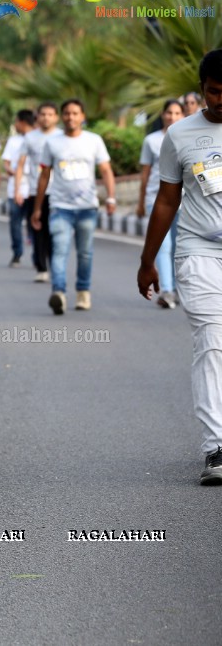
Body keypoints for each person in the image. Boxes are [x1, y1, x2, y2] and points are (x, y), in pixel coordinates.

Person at [138, 49, 222, 485]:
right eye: (215, 92)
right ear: (202, 89)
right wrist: (147, 259)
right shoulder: (180, 135)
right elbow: (167, 199)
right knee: (210, 342)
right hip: (199, 251)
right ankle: (216, 446)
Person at [31, 98, 116, 314]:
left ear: (82, 117)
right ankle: (58, 293)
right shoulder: (52, 143)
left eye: (75, 113)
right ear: (62, 117)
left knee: (85, 253)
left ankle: (83, 292)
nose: (71, 117)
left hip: (87, 207)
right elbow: (44, 176)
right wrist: (38, 207)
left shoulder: (94, 140)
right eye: (67, 113)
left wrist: (111, 197)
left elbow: (105, 170)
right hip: (60, 207)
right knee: (59, 251)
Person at [137, 99, 185, 309]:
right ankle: (167, 290)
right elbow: (145, 174)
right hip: (156, 201)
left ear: (182, 115)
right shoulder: (151, 141)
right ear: (163, 115)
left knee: (179, 248)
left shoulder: (187, 138)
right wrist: (141, 201)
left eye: (177, 113)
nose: (172, 117)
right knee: (163, 247)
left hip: (185, 202)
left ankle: (178, 289)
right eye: (169, 113)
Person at [16, 102, 61, 283]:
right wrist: (19, 189)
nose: (46, 118)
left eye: (50, 114)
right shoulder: (30, 137)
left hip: (58, 192)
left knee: (55, 231)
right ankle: (41, 267)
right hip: (36, 191)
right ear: (37, 117)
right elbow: (20, 164)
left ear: (56, 117)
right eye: (43, 114)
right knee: (38, 229)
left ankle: (54, 264)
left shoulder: (61, 137)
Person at [1, 109, 35, 267]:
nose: (15, 125)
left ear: (23, 122)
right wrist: (9, 170)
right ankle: (17, 253)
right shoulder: (13, 141)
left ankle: (38, 255)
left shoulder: (38, 139)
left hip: (34, 187)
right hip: (15, 185)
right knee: (15, 222)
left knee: (34, 223)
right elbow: (6, 162)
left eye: (17, 122)